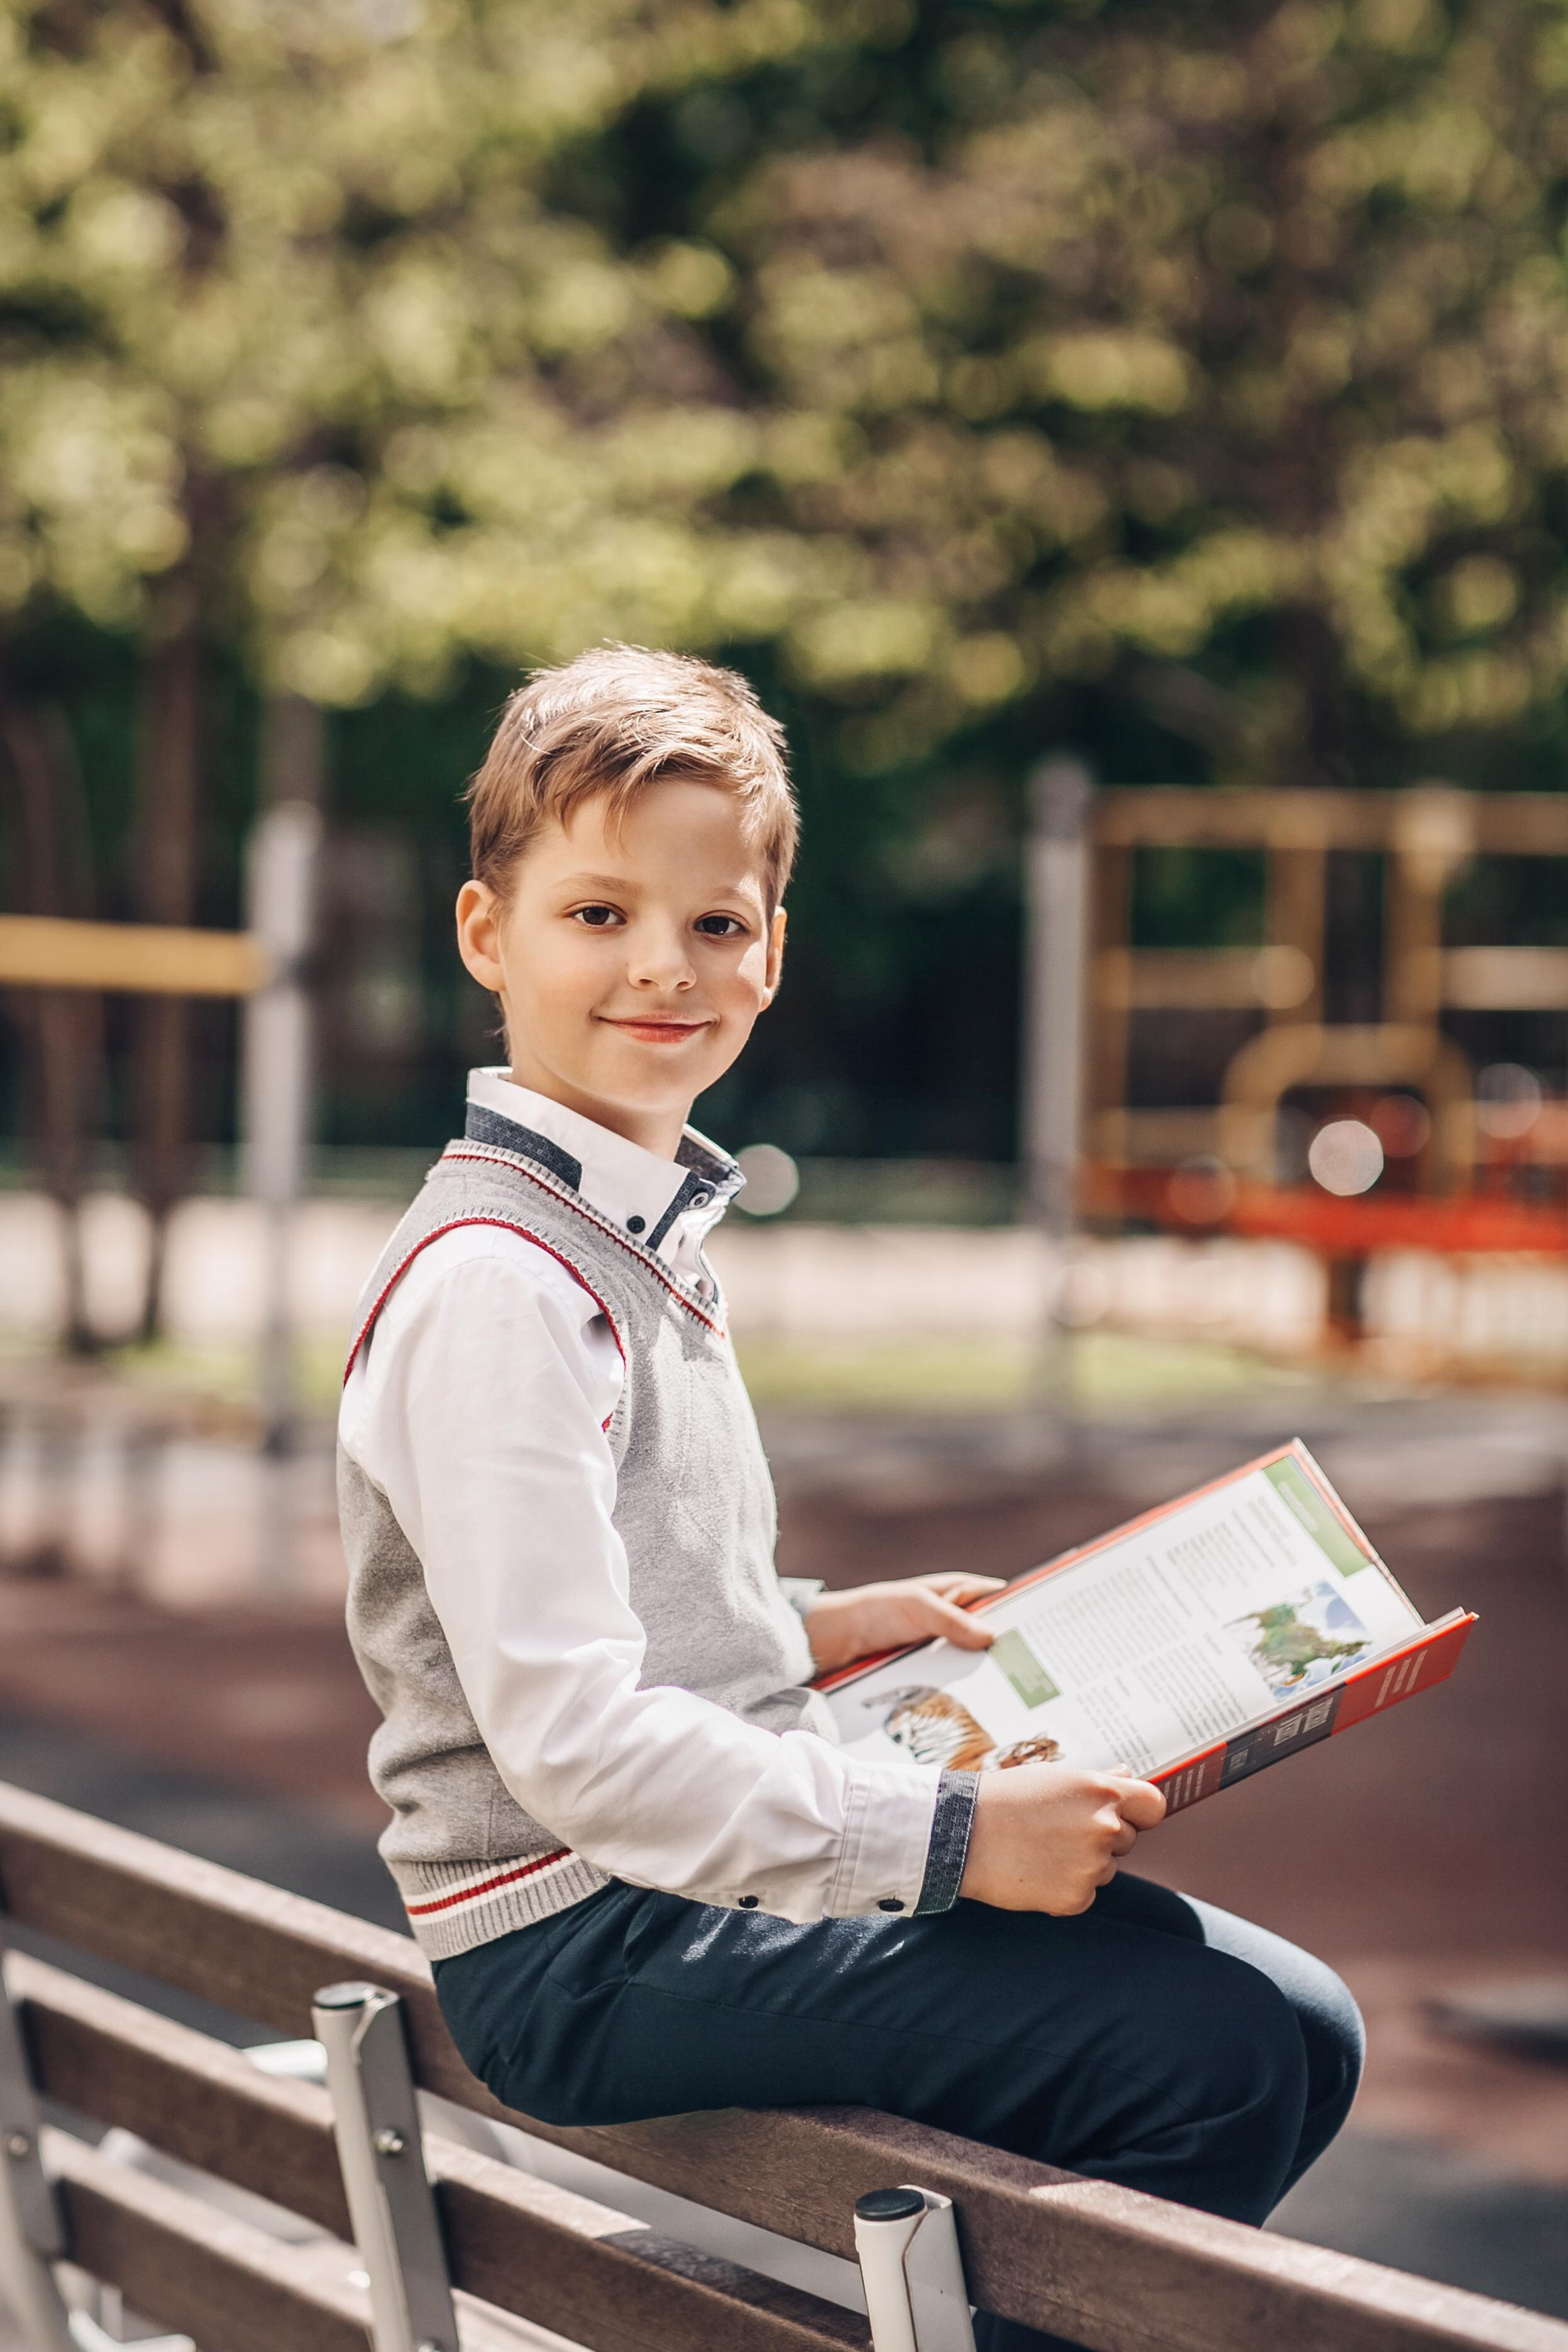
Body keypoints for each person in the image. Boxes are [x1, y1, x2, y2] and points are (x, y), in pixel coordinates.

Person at [338, 644, 1363, 2351]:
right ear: (483, 933)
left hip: (646, 1898)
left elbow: (594, 1606)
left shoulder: (617, 1230)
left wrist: (811, 1630)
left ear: (773, 951)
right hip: (590, 1942)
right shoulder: (501, 1286)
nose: (665, 965)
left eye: (717, 925)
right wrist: (955, 1845)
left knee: (1234, 2022)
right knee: (1250, 2039)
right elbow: (574, 1746)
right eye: (599, 915)